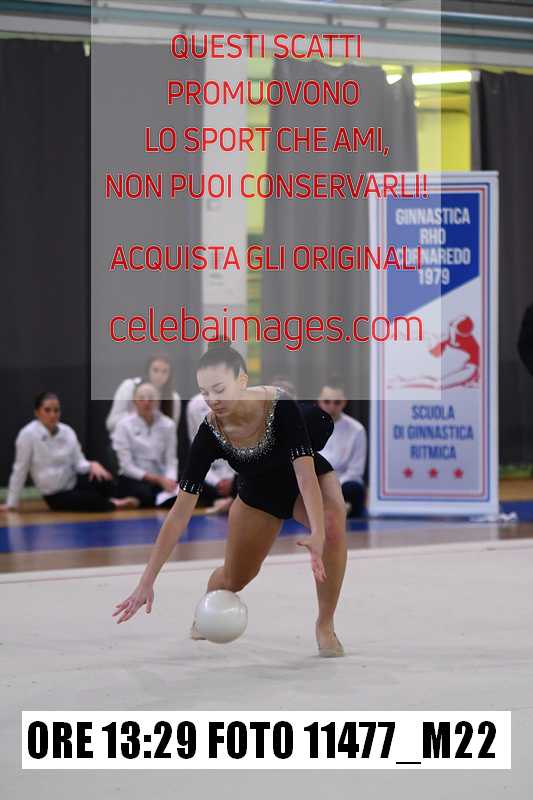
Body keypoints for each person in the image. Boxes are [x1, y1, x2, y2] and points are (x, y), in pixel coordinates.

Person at [113, 340, 348, 657]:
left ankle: (325, 624)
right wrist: (147, 580)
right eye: (205, 392)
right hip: (257, 494)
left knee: (332, 526)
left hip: (301, 476)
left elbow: (305, 477)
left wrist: (318, 533)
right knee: (234, 578)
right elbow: (180, 513)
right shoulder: (209, 433)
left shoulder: (279, 405)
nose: (212, 400)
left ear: (242, 380)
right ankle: (208, 602)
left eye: (219, 389)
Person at [0, 392, 138, 512]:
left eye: (56, 410)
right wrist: (11, 503)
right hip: (55, 494)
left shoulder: (67, 431)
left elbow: (79, 463)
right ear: (37, 412)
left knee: (103, 479)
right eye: (47, 410)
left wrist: (92, 465)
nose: (53, 415)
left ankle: (117, 498)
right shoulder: (27, 435)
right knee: (91, 500)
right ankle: (114, 504)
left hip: (73, 482)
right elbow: (20, 470)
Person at [112, 383, 178, 508]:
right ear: (134, 401)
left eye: (151, 399)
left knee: (186, 489)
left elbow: (171, 459)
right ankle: (139, 500)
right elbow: (126, 466)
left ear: (158, 401)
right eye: (142, 398)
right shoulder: (123, 425)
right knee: (144, 492)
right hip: (135, 478)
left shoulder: (168, 425)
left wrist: (170, 480)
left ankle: (141, 501)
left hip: (162, 478)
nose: (147, 402)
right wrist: (158, 479)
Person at [317, 380, 367, 518]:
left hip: (343, 484)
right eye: (327, 401)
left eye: (337, 402)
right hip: (315, 482)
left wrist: (333, 487)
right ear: (319, 401)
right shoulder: (307, 426)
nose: (331, 406)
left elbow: (356, 471)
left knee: (354, 489)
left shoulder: (357, 430)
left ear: (344, 402)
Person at [106, 353, 181, 434]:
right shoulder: (129, 386)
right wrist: (137, 417)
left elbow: (171, 432)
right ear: (148, 371)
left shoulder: (174, 398)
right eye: (155, 370)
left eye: (164, 372)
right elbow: (111, 423)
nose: (159, 375)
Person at [187, 392, 237, 513]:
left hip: (238, 474)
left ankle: (234, 498)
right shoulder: (194, 405)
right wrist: (217, 482)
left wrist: (233, 482)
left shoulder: (238, 400)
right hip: (211, 478)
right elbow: (197, 456)